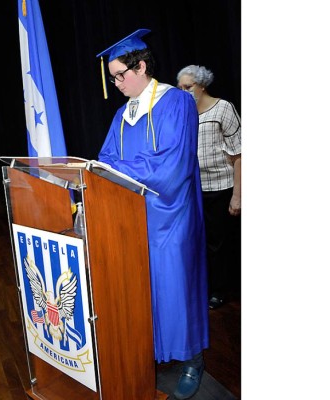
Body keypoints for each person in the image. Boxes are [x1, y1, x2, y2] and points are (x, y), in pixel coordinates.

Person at [96, 29, 209, 400]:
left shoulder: (177, 102)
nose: (115, 84)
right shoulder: (121, 115)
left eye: (119, 75)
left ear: (140, 66)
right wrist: (122, 169)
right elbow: (104, 160)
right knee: (145, 292)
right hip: (132, 218)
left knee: (177, 287)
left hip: (172, 216)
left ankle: (192, 360)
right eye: (113, 77)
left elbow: (174, 166)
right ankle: (158, 353)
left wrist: (124, 168)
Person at [176, 65, 241, 310]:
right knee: (197, 240)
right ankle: (201, 287)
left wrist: (238, 195)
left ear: (202, 86)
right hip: (193, 188)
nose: (184, 92)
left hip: (220, 186)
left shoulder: (223, 108)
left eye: (188, 87)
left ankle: (219, 290)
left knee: (218, 243)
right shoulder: (184, 113)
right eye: (180, 88)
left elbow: (240, 154)